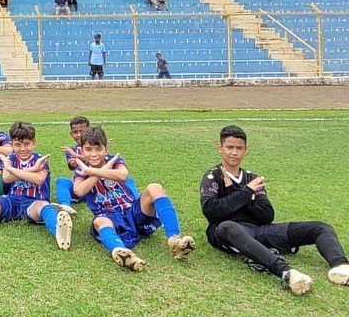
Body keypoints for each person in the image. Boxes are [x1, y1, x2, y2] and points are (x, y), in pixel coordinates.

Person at [200, 125, 349, 294]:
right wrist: (247, 192)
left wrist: (240, 194)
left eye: (239, 148)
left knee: (320, 227)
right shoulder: (213, 176)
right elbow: (210, 210)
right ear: (220, 148)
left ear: (245, 150)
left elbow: (267, 215)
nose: (234, 152)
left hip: (259, 230)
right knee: (228, 226)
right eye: (229, 147)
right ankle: (286, 272)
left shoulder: (252, 178)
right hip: (228, 232)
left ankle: (340, 267)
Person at [73, 126, 195, 271]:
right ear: (81, 150)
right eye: (88, 149)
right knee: (99, 221)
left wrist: (92, 171)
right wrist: (95, 172)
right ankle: (123, 253)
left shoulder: (115, 160)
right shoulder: (81, 170)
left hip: (133, 211)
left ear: (106, 148)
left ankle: (175, 240)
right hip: (109, 216)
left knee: (154, 187)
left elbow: (123, 175)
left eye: (98, 149)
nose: (94, 154)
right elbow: (79, 190)